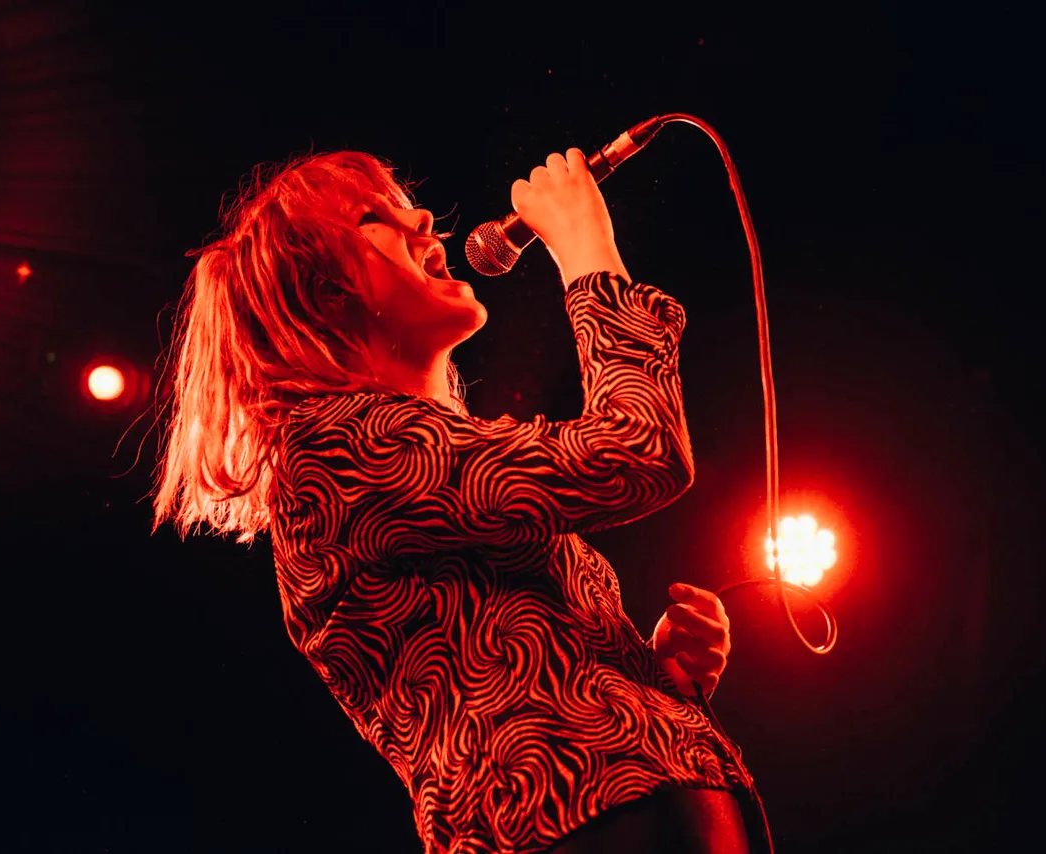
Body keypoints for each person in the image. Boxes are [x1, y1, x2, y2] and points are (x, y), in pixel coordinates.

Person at [153, 147, 769, 853]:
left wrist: (653, 676)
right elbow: (636, 451)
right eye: (372, 218)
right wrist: (587, 252)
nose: (422, 219)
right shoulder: (341, 449)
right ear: (327, 294)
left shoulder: (415, 456)